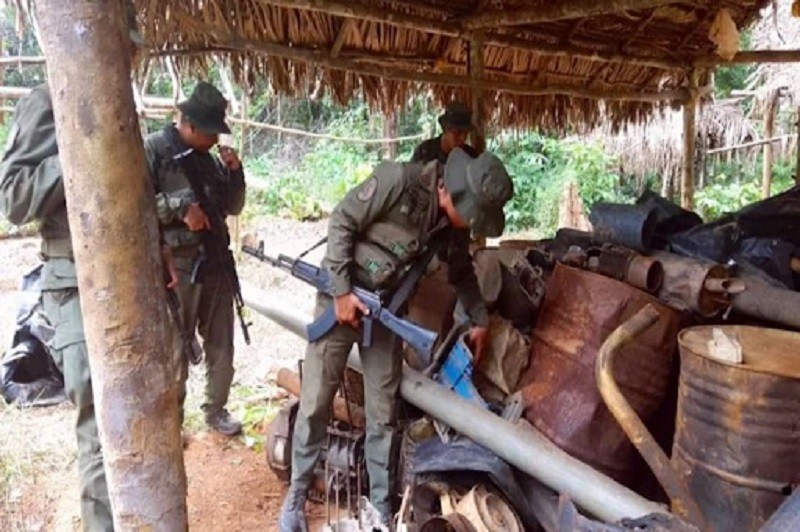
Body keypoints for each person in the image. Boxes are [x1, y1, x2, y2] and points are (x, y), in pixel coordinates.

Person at [278, 147, 514, 531]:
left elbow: (462, 272)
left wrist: (479, 318)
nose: (471, 226)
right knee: (316, 400)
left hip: (386, 315)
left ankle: (381, 508)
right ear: (451, 191)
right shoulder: (398, 181)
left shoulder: (450, 227)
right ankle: (297, 496)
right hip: (341, 300)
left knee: (383, 415)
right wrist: (341, 293)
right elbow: (342, 220)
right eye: (471, 215)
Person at [0, 85, 117, 530]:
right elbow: (13, 197)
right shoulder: (49, 99)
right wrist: (74, 151)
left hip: (126, 279)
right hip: (75, 284)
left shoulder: (113, 91)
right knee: (99, 422)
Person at [143, 82, 246, 436]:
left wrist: (234, 172)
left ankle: (216, 410)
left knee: (221, 342)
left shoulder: (209, 160)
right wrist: (180, 208)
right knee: (177, 346)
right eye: (210, 131)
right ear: (188, 124)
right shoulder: (155, 150)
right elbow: (136, 204)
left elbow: (233, 206)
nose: (216, 139)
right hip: (180, 266)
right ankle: (172, 423)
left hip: (215, 261)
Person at [411, 102, 483, 165]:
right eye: (458, 132)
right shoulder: (425, 152)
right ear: (445, 129)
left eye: (466, 133)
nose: (463, 138)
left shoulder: (471, 156)